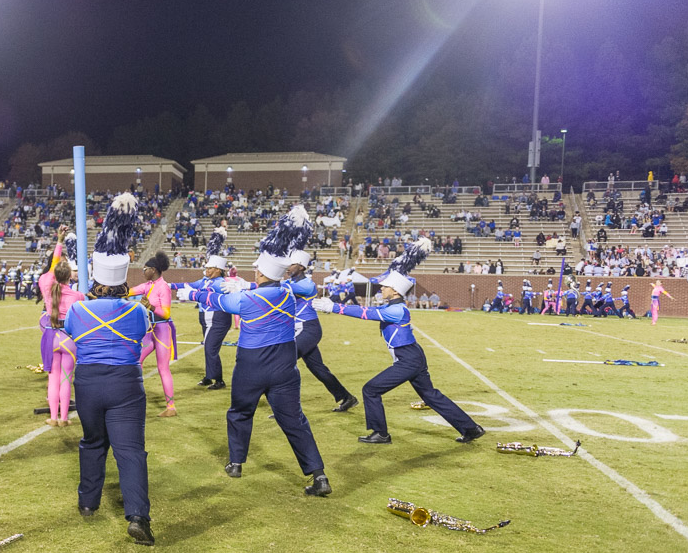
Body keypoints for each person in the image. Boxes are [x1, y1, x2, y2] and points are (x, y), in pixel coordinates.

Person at [177, 206, 332, 498]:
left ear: (261, 273)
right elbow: (288, 285)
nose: (255, 271)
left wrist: (192, 294)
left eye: (257, 270)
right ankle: (318, 474)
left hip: (251, 365)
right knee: (294, 420)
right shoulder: (288, 291)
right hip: (285, 366)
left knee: (239, 412)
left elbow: (219, 301)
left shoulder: (246, 300)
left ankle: (236, 463)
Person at [313, 238, 484, 446]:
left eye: (384, 286)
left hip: (408, 359)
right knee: (430, 395)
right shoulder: (394, 306)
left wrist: (335, 307)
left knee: (370, 390)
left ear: (394, 290)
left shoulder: (396, 309)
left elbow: (367, 313)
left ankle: (380, 433)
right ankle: (471, 428)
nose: (381, 288)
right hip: (412, 356)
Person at [63, 192, 156, 544]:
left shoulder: (77, 311)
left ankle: (88, 502)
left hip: (87, 382)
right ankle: (138, 516)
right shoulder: (137, 311)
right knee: (130, 449)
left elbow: (71, 332)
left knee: (92, 442)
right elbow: (145, 327)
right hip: (125, 383)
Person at [283, 250, 358, 412]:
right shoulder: (291, 281)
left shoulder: (306, 284)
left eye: (292, 264)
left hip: (308, 328)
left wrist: (251, 285)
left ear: (302, 267)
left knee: (284, 361)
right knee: (318, 368)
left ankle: (288, 407)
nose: (288, 268)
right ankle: (347, 397)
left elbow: (280, 288)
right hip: (300, 329)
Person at [169, 224, 229, 390]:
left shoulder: (220, 283)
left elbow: (202, 290)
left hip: (218, 318)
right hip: (205, 317)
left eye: (210, 268)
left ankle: (219, 381)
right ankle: (210, 377)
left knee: (210, 348)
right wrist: (167, 285)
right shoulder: (205, 280)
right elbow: (187, 284)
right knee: (208, 348)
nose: (206, 269)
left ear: (218, 270)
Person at [39, 229, 85, 426]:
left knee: (53, 378)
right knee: (67, 378)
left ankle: (53, 417)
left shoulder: (46, 286)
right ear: (70, 277)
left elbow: (51, 269)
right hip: (69, 339)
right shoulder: (77, 295)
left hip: (51, 338)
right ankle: (64, 418)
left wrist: (59, 241)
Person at [129, 251, 178, 417]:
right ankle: (135, 396)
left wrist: (149, 307)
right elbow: (130, 291)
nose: (143, 272)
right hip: (151, 331)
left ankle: (171, 407)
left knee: (162, 368)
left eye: (145, 269)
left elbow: (166, 313)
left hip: (163, 330)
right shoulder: (149, 285)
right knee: (137, 360)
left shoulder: (163, 287)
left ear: (153, 270)